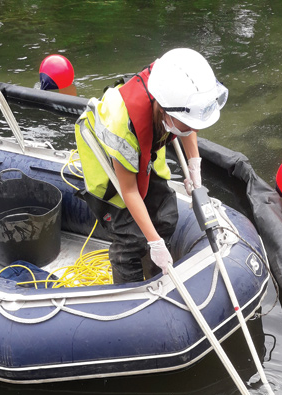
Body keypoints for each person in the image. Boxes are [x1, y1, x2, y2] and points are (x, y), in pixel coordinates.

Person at [73, 48, 228, 283]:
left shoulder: (173, 86)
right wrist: (155, 243)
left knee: (166, 217)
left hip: (145, 154)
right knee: (129, 238)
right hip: (110, 168)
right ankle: (131, 293)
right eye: (187, 124)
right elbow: (129, 191)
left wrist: (194, 163)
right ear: (165, 112)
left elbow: (189, 121)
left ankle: (156, 274)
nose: (192, 130)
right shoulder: (122, 127)